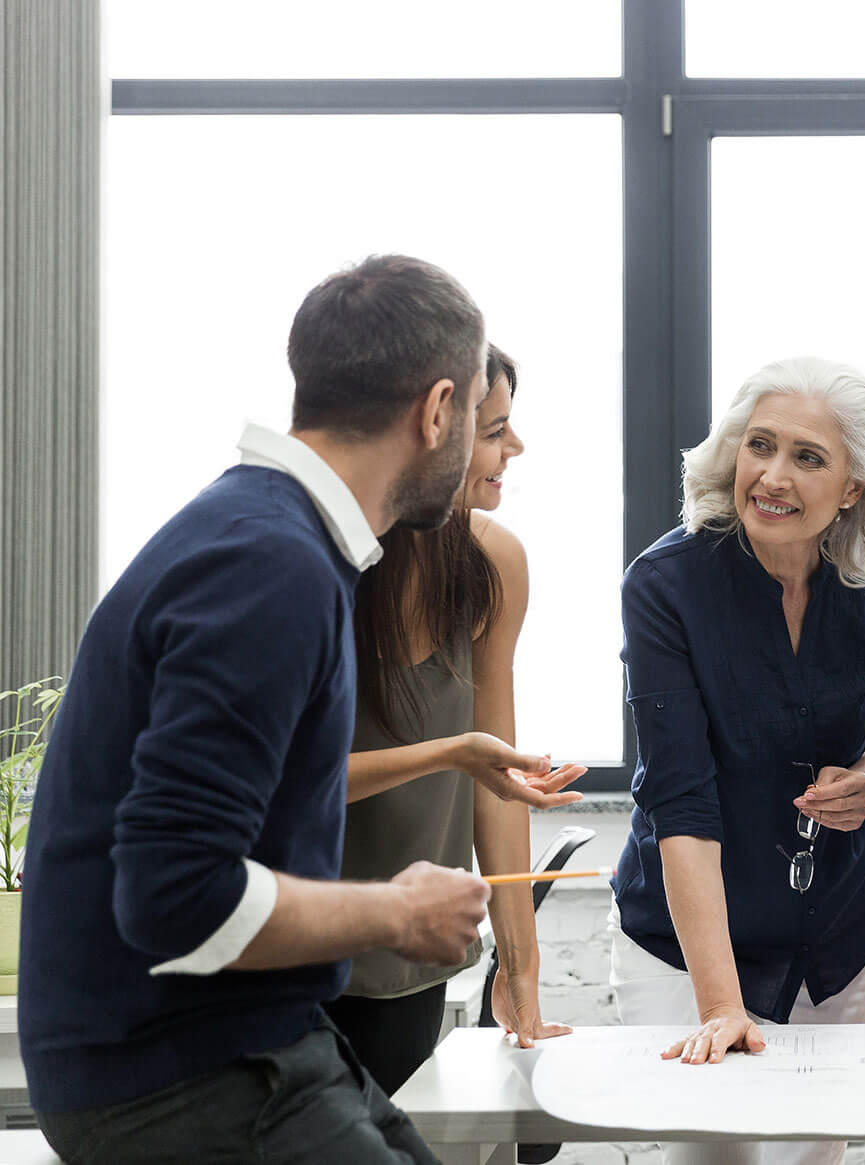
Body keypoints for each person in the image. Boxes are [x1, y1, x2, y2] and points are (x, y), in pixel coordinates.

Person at [18, 254, 533, 1163]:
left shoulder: (274, 537)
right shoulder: (270, 568)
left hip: (253, 1033)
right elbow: (174, 894)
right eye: (481, 424)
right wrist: (394, 912)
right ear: (439, 409)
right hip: (167, 1072)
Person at [607, 355, 865, 1165]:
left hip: (843, 927)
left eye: (808, 457)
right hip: (690, 940)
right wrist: (720, 1008)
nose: (772, 476)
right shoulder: (665, 584)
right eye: (760, 446)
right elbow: (680, 802)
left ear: (854, 488)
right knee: (710, 1151)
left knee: (813, 1153)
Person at [325, 343, 585, 1098]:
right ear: (435, 428)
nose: (517, 447)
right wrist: (449, 753)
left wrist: (520, 966)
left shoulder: (493, 564)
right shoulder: (325, 568)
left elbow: (497, 782)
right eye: (497, 429)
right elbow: (279, 785)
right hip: (299, 946)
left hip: (414, 959)